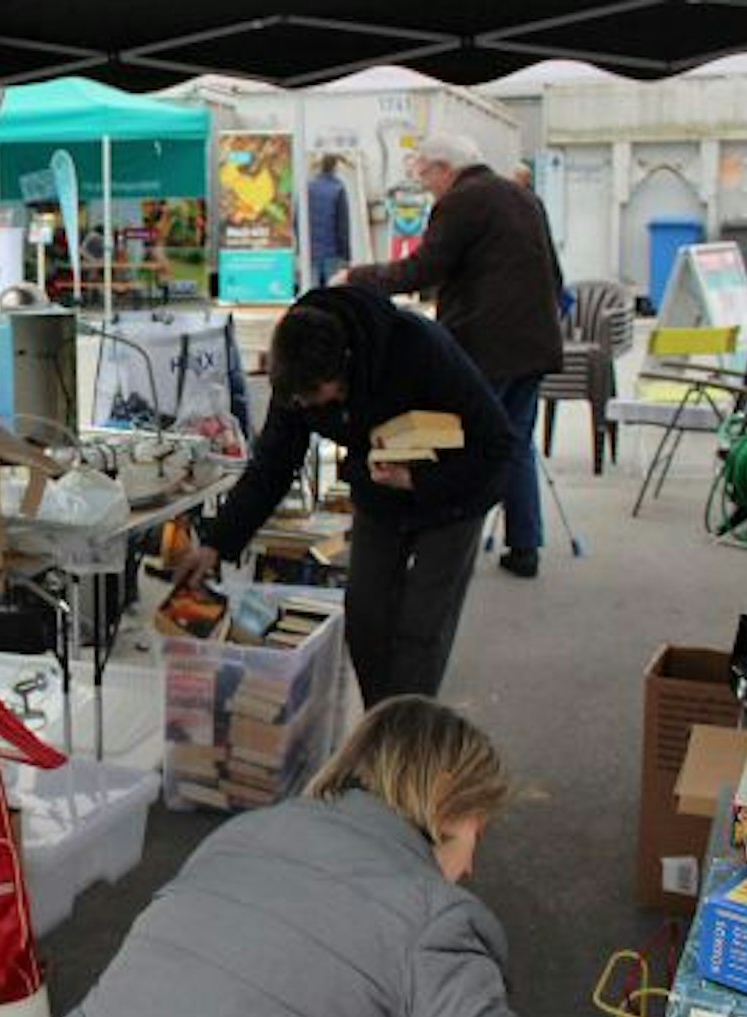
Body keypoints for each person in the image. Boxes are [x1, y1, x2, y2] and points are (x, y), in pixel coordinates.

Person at [11, 696, 670, 1017]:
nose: (470, 867)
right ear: (448, 806)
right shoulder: (432, 919)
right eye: (479, 832)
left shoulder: (240, 836)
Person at [177, 286, 512, 704]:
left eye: (317, 397)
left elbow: (499, 448)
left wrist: (419, 481)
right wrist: (217, 543)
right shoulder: (296, 377)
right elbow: (272, 467)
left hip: (456, 493)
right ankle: (379, 724)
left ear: (344, 369)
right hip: (380, 491)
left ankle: (403, 744)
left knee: (421, 629)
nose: (311, 407)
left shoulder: (419, 347)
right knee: (366, 618)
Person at [338, 134, 563, 580]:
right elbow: (553, 273)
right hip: (534, 344)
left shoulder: (463, 202)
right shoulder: (521, 196)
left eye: (425, 177)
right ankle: (525, 546)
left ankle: (451, 541)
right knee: (514, 443)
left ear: (444, 169)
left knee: (470, 445)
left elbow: (421, 270)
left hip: (488, 348)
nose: (426, 187)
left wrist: (356, 278)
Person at [306, 153, 351, 287]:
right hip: (332, 253)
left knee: (313, 293)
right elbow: (342, 225)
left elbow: (298, 220)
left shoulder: (309, 188)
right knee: (331, 295)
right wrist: (346, 255)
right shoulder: (338, 189)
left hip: (311, 251)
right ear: (335, 168)